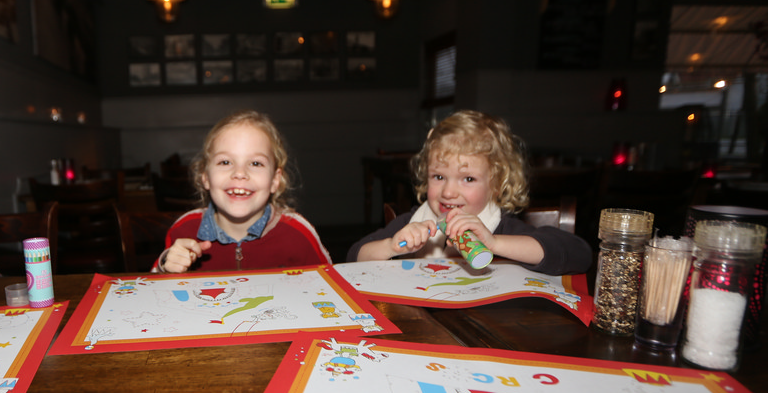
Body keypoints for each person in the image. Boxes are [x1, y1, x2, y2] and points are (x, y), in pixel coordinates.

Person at [347, 110, 591, 274]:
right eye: (439, 177)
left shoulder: (501, 227)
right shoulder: (414, 221)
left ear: (496, 184)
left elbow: (580, 254)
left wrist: (494, 243)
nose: (449, 192)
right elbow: (354, 256)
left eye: (468, 179)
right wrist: (391, 246)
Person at [153, 110, 331, 273]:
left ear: (275, 180)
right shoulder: (184, 230)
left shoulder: (298, 233)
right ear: (205, 177)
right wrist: (166, 268)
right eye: (225, 162)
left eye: (255, 163)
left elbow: (332, 284)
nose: (239, 173)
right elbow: (150, 287)